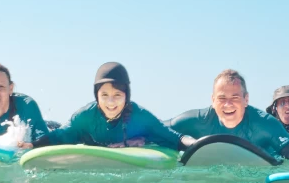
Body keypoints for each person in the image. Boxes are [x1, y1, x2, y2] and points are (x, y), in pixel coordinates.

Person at [166, 69, 289, 171]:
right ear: (213, 100)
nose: (228, 104)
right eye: (222, 98)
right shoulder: (198, 119)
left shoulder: (266, 124)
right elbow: (159, 128)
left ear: (246, 99)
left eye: (235, 97)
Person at [18, 62, 194, 151]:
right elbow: (59, 136)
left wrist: (195, 144)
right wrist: (32, 145)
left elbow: (173, 137)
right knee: (55, 127)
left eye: (117, 95)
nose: (111, 102)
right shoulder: (85, 116)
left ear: (127, 96)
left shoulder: (140, 116)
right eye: (104, 95)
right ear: (96, 96)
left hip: (127, 141)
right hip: (82, 137)